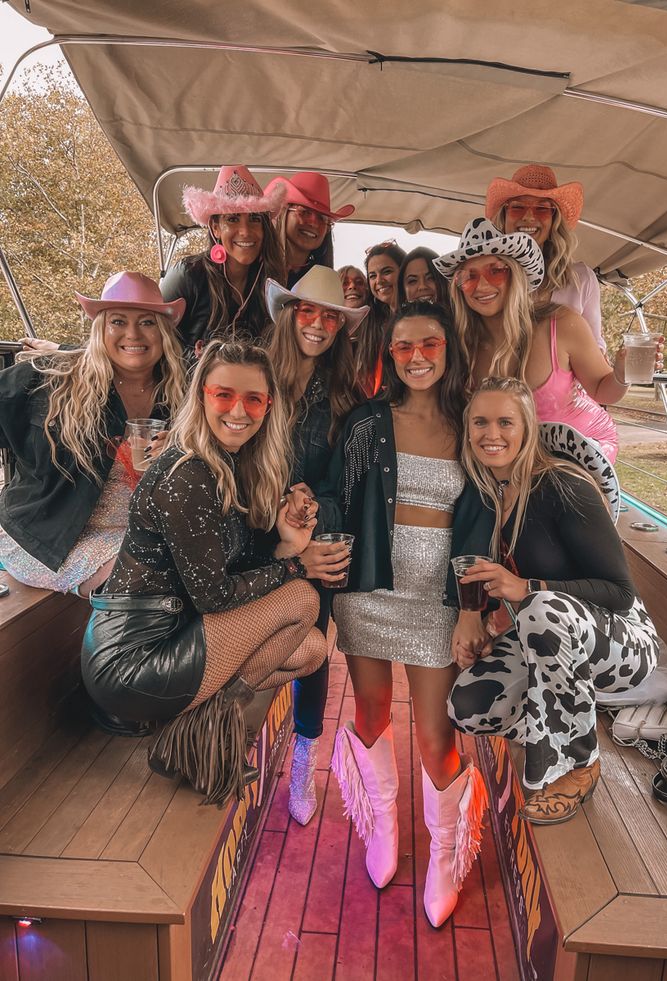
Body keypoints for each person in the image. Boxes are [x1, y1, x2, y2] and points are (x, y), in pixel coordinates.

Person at [82, 340, 328, 806]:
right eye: (224, 395)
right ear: (201, 398)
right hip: (132, 660)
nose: (240, 410)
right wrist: (296, 565)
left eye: (254, 398)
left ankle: (194, 726)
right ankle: (202, 726)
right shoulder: (188, 473)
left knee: (313, 648)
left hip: (176, 636)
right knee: (304, 600)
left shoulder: (229, 465)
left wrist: (286, 544)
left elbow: (229, 580)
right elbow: (215, 597)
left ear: (268, 405)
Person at [325, 300, 487, 929]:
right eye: (402, 347)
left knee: (435, 734)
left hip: (437, 604)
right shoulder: (367, 421)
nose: (417, 357)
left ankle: (447, 850)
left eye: (430, 344)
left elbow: (483, 520)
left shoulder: (472, 422)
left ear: (448, 349)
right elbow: (339, 500)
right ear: (387, 355)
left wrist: (472, 607)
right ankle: (381, 826)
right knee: (368, 712)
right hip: (368, 592)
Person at [447, 376, 660, 824]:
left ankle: (578, 762)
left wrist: (527, 591)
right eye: (480, 422)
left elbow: (620, 594)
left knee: (543, 610)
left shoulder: (564, 486)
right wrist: (481, 621)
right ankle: (557, 721)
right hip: (544, 635)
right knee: (467, 707)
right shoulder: (487, 492)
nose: (492, 434)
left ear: (527, 428)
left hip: (622, 643)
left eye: (506, 422)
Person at [0, 271, 187, 597]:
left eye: (147, 322)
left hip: (137, 533)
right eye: (117, 322)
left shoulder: (179, 394)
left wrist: (182, 450)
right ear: (101, 329)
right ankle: (109, 649)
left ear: (163, 332)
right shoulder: (52, 379)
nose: (132, 334)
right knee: (152, 577)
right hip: (50, 539)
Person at [266, 265, 369, 825]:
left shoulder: (345, 397)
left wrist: (314, 504)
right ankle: (221, 736)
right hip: (250, 527)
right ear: (288, 314)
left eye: (331, 316)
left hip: (311, 530)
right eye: (308, 310)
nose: (318, 324)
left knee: (314, 637)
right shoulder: (255, 373)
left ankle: (305, 752)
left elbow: (347, 487)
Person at [435, 217, 649, 462]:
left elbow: (603, 391)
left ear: (515, 275)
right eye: (469, 276)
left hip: (577, 451)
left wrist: (623, 373)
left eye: (496, 271)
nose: (482, 285)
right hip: (507, 459)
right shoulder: (461, 343)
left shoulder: (561, 323)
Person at [160, 165, 286, 353]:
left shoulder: (270, 279)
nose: (245, 231)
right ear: (215, 228)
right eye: (233, 219)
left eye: (254, 219)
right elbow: (156, 341)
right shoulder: (187, 274)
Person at [485, 164, 605, 350]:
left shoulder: (581, 279)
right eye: (518, 207)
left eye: (542, 209)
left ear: (554, 220)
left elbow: (596, 351)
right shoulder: (484, 276)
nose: (529, 217)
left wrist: (625, 369)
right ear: (504, 216)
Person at [265, 172, 355, 287]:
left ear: (328, 229)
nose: (314, 223)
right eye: (304, 212)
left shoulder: (325, 283)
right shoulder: (257, 267)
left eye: (322, 218)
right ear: (283, 214)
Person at [355, 241, 407, 397]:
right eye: (372, 276)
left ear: (404, 272)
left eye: (387, 271)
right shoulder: (372, 323)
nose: (379, 281)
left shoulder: (421, 319)